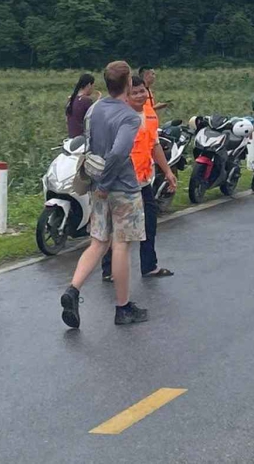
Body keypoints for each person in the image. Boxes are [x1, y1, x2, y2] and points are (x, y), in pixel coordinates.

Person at [61, 61, 151, 328]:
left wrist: (98, 184)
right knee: (121, 244)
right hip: (122, 188)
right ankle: (123, 307)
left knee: (98, 242)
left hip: (97, 184)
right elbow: (119, 153)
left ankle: (73, 289)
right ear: (128, 84)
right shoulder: (129, 117)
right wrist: (107, 182)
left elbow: (90, 145)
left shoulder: (94, 109)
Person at [102, 75, 177, 281]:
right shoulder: (119, 117)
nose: (139, 95)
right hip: (123, 181)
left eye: (142, 91)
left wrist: (168, 171)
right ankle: (109, 270)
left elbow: (154, 145)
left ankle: (149, 266)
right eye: (134, 92)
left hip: (144, 180)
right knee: (119, 227)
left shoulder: (150, 114)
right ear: (126, 95)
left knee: (149, 223)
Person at [66, 73, 99, 138]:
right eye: (93, 86)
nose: (93, 89)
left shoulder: (71, 100)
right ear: (89, 85)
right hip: (82, 139)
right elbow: (95, 121)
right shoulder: (86, 101)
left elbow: (67, 121)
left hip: (71, 138)